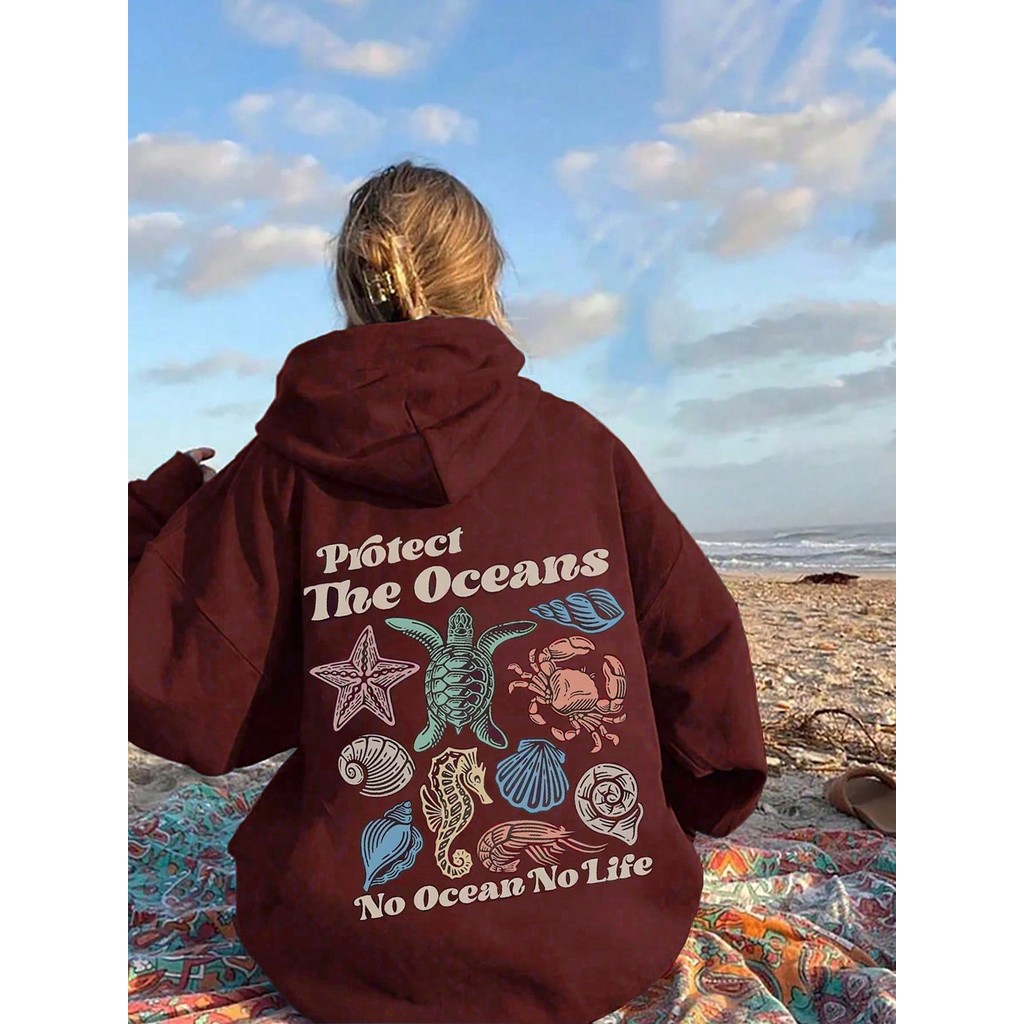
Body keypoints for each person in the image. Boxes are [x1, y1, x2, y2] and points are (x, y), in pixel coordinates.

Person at [128, 161, 767, 1024]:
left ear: (352, 288)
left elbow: (174, 680)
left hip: (358, 956)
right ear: (487, 283)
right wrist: (702, 800)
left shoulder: (279, 472)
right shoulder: (579, 444)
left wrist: (149, 517)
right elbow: (694, 642)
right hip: (603, 936)